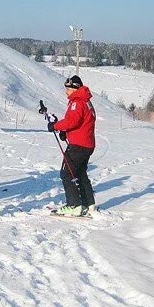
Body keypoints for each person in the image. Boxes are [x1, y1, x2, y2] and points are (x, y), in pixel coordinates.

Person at [47, 75, 96, 216]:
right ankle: (89, 203)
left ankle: (74, 205)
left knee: (67, 173)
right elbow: (81, 123)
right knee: (80, 173)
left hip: (79, 145)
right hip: (86, 143)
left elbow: (72, 120)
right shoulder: (86, 101)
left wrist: (55, 126)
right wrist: (67, 133)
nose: (66, 91)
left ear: (75, 88)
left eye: (68, 89)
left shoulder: (78, 102)